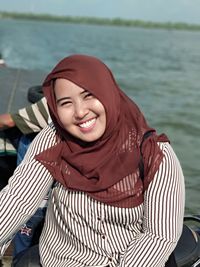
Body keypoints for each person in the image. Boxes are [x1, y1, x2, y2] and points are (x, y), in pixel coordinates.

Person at [0, 54, 185, 267]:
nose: (80, 112)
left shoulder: (154, 154)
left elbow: (159, 236)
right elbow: (17, 199)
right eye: (66, 103)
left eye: (89, 95)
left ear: (108, 93)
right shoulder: (55, 138)